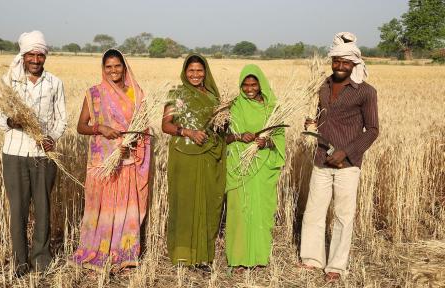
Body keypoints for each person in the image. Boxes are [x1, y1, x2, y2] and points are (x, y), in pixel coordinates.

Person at [299, 32, 379, 282]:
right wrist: (312, 122)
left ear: (355, 63)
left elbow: (373, 130)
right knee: (314, 211)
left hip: (348, 164)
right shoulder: (323, 85)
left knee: (343, 216)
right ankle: (312, 259)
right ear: (332, 61)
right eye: (336, 61)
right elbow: (322, 115)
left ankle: (336, 266)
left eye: (346, 62)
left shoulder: (366, 92)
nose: (340, 66)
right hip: (321, 158)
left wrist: (347, 152)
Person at [0, 30, 67, 277]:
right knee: (18, 210)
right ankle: (19, 262)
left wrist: (52, 139)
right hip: (14, 154)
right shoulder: (9, 82)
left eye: (40, 54)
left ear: (45, 56)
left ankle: (41, 260)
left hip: (44, 157)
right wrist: (10, 121)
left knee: (44, 208)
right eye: (31, 54)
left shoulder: (55, 83)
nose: (36, 59)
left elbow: (62, 119)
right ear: (23, 56)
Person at [71, 49, 151, 274]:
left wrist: (133, 139)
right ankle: (98, 250)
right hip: (103, 162)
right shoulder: (95, 93)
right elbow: (81, 126)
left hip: (127, 160)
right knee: (102, 207)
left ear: (124, 67)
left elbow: (144, 127)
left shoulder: (137, 93)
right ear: (103, 68)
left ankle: (123, 253)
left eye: (117, 66)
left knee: (125, 207)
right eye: (109, 67)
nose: (113, 70)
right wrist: (101, 129)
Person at [162, 54, 226, 270]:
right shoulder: (176, 95)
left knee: (207, 204)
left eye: (199, 71)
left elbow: (220, 126)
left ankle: (202, 256)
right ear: (184, 72)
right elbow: (166, 125)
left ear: (205, 72)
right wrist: (187, 131)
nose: (195, 75)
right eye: (191, 71)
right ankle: (183, 255)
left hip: (209, 156)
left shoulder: (214, 97)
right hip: (184, 156)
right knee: (185, 203)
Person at [225, 64, 285, 272]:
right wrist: (240, 136)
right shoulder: (233, 106)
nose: (249, 88)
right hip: (239, 165)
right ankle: (239, 258)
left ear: (261, 84)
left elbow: (279, 137)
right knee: (239, 212)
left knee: (260, 211)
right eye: (245, 84)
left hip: (262, 165)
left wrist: (265, 142)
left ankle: (259, 256)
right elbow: (222, 136)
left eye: (254, 84)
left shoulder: (272, 108)